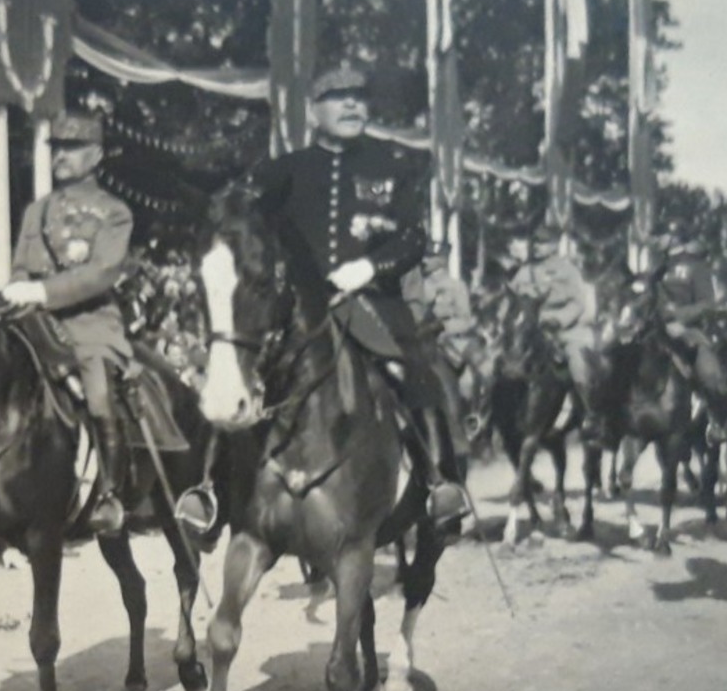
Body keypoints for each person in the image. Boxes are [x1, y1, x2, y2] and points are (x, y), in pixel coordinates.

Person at [246, 66, 472, 528]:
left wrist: (369, 267)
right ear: (313, 111)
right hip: (296, 308)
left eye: (359, 97)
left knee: (415, 375)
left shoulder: (392, 168)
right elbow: (249, 232)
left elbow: (412, 238)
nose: (351, 105)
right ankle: (211, 488)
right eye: (338, 97)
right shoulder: (282, 171)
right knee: (245, 372)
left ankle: (438, 483)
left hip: (374, 305)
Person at [0, 112, 134, 536]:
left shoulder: (114, 213)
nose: (60, 156)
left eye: (71, 148)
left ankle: (111, 494)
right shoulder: (36, 212)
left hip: (91, 324)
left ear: (95, 155)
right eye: (56, 148)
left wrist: (44, 292)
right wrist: (19, 288)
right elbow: (21, 266)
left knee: (97, 395)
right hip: (36, 324)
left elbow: (102, 273)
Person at [508, 225, 602, 429]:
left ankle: (590, 414)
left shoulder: (567, 270)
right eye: (536, 242)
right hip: (531, 327)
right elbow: (513, 301)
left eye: (543, 243)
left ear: (553, 245)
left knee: (577, 364)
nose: (537, 247)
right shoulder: (525, 271)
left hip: (565, 329)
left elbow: (578, 302)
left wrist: (559, 319)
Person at [652, 231, 727, 401]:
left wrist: (678, 317)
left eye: (661, 235)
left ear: (674, 238)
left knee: (707, 371)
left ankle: (714, 406)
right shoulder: (659, 270)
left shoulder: (697, 266)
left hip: (689, 329)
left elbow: (707, 304)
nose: (656, 239)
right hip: (658, 327)